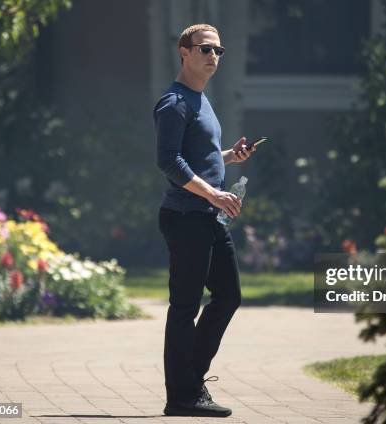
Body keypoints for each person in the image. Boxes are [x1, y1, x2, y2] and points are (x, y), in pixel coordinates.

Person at [153, 23, 255, 417]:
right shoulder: (174, 102)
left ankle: (190, 381)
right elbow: (169, 161)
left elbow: (203, 157)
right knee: (185, 306)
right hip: (185, 215)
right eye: (205, 49)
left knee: (228, 297)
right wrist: (213, 193)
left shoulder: (201, 100)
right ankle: (182, 394)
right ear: (184, 52)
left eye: (218, 51)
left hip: (207, 216)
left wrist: (231, 156)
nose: (213, 56)